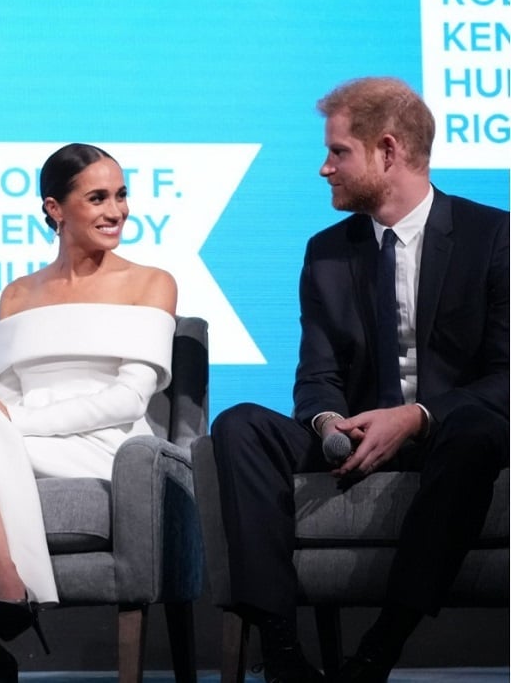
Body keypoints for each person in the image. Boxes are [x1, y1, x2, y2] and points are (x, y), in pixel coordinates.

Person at [210, 77, 509, 683]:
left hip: (450, 437)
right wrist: (327, 423)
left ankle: (379, 649)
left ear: (389, 150)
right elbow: (316, 377)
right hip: (351, 439)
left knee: (477, 428)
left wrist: (417, 416)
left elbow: (506, 376)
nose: (325, 168)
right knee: (239, 424)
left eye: (338, 152)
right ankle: (282, 651)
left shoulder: (493, 236)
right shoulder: (327, 252)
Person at [0, 143, 179, 683]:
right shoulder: (17, 294)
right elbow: (6, 395)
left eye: (122, 195)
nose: (117, 211)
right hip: (19, 437)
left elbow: (130, 401)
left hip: (108, 442)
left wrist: (10, 422)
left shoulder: (152, 282)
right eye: (98, 197)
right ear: (55, 209)